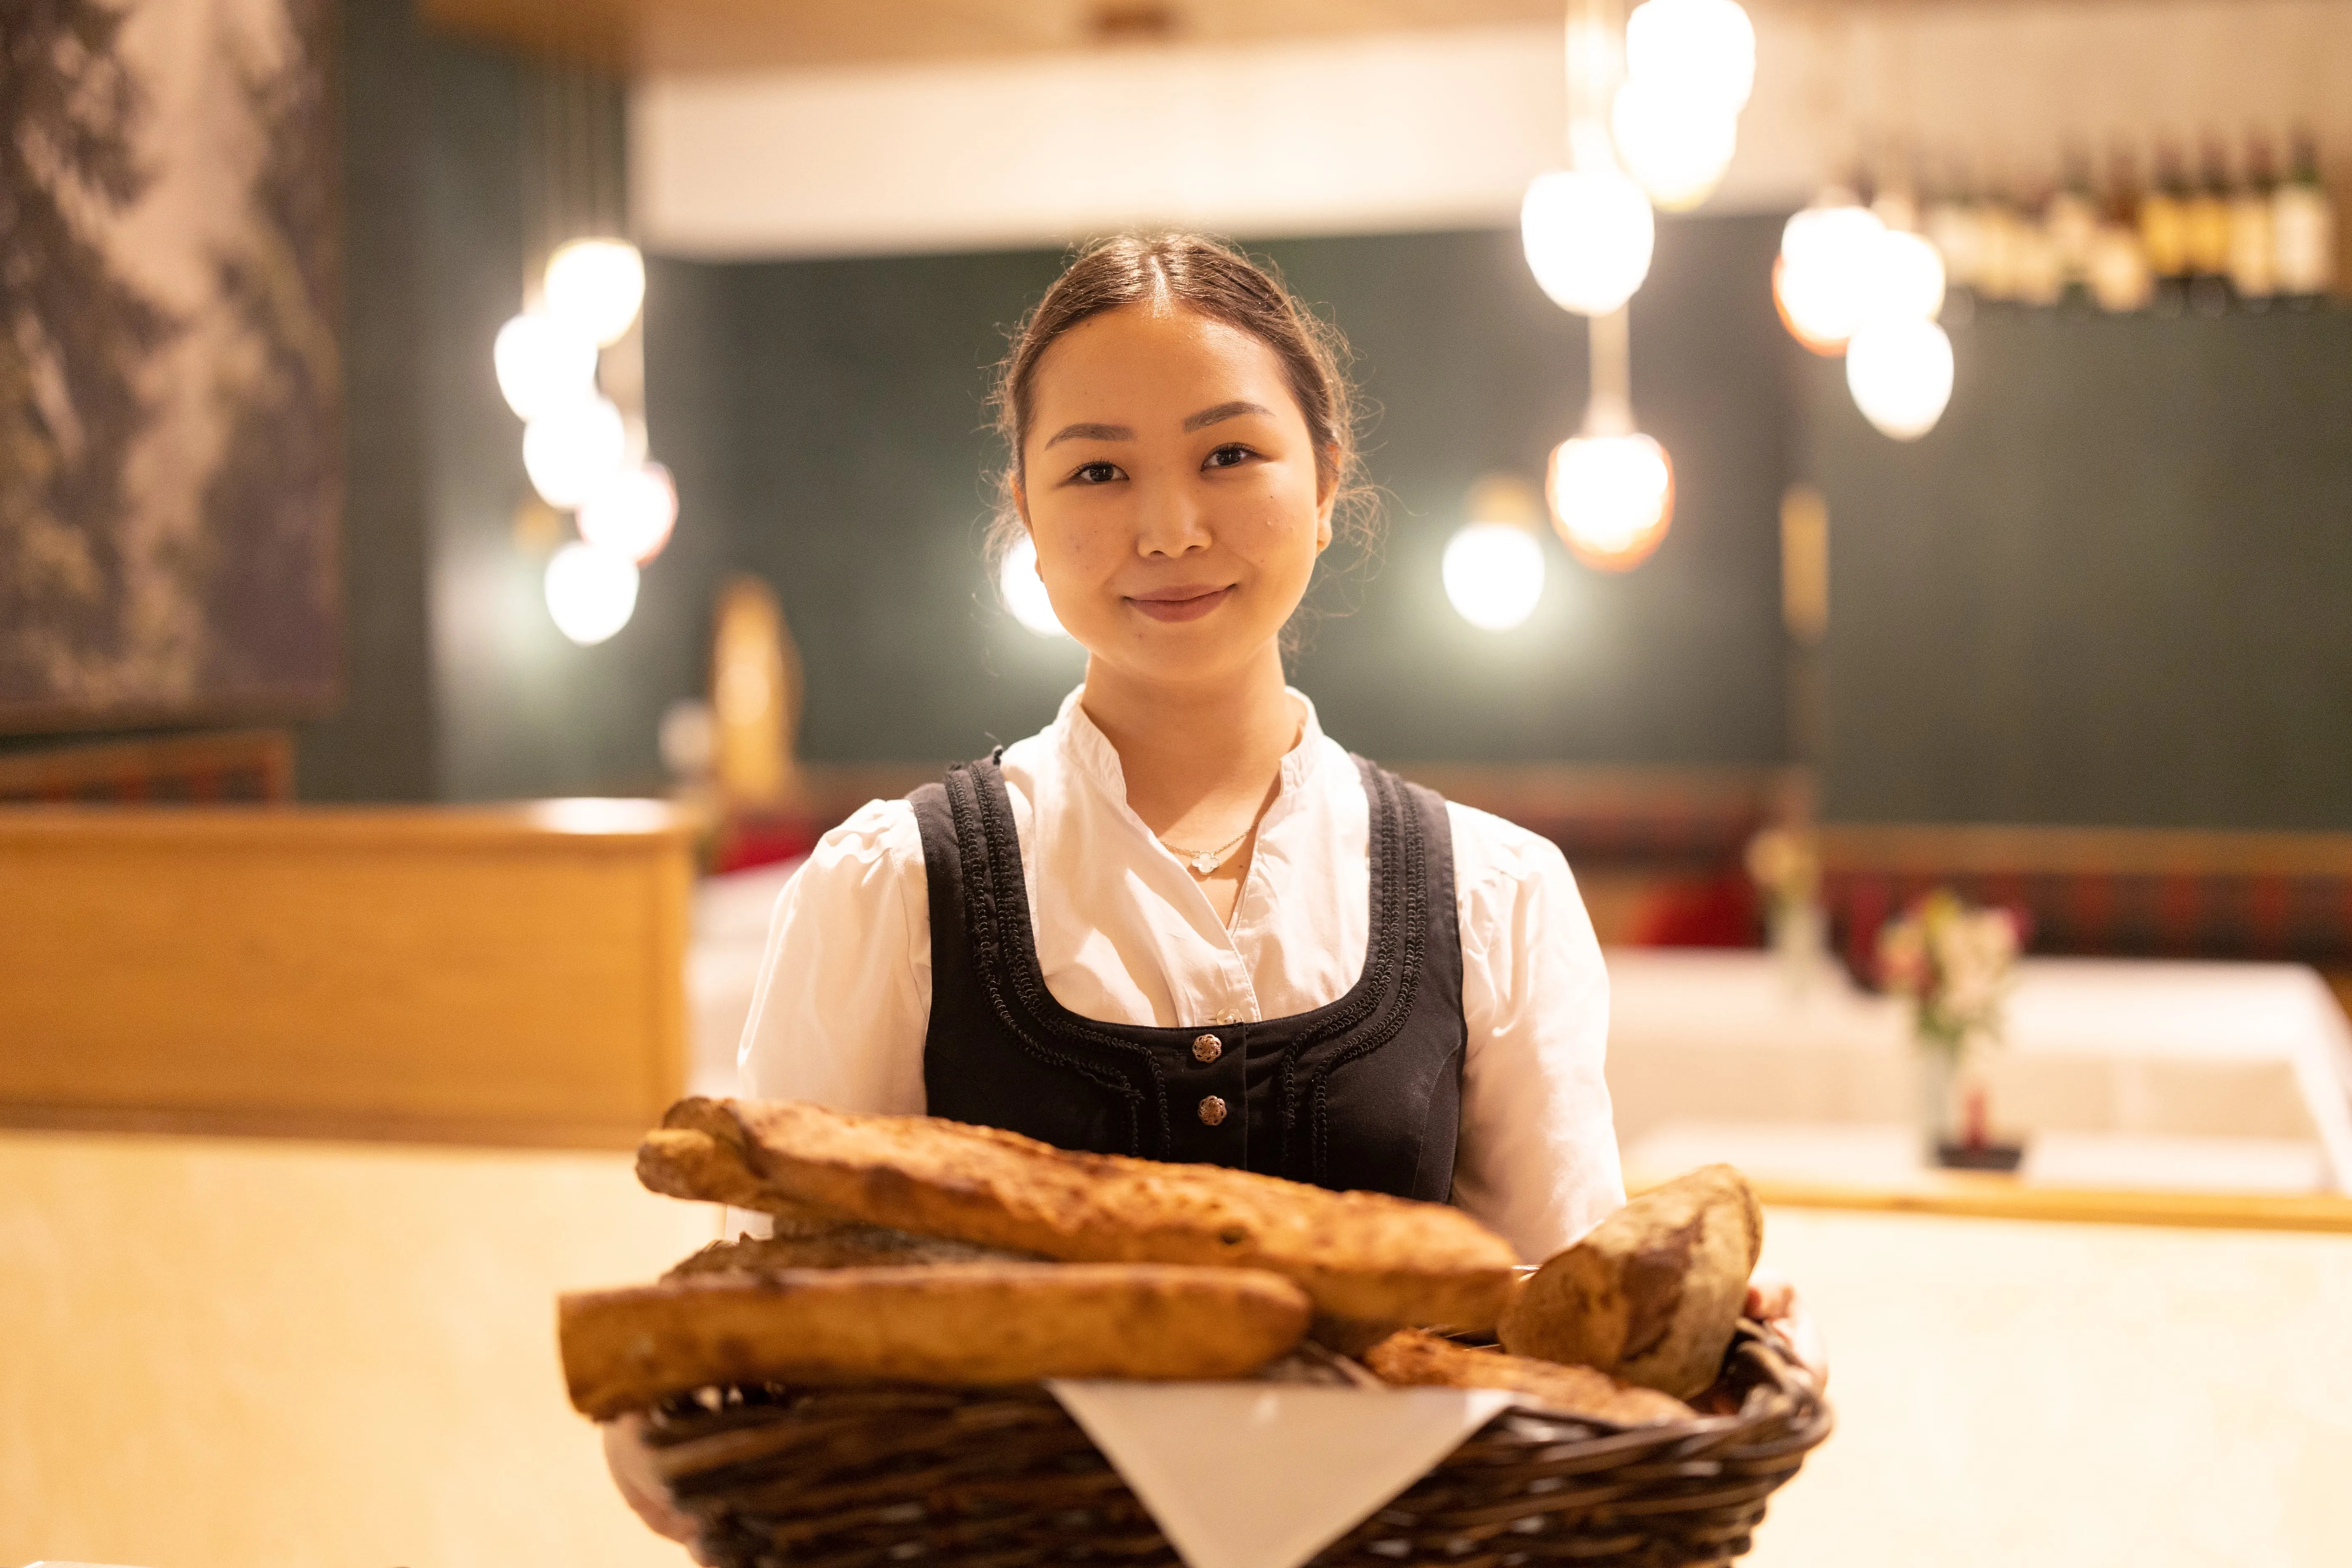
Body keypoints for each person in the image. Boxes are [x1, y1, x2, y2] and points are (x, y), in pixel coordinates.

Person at [607, 233, 1821, 1551]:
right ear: (1023, 506)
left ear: (1326, 479)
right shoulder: (891, 887)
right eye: (1097, 470)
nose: (1170, 526)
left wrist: (1693, 1327)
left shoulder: (1492, 890)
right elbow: (771, 1325)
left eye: (1229, 454)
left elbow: (1564, 1338)